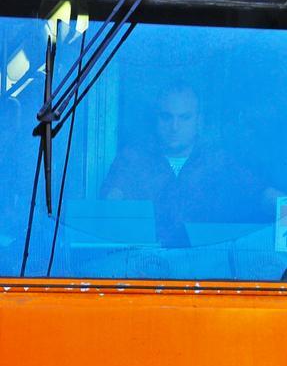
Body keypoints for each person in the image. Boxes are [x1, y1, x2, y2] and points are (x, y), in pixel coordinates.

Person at [102, 84, 263, 246]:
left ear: (199, 121)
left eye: (184, 117)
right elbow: (111, 202)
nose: (175, 127)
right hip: (144, 264)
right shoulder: (133, 159)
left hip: (206, 266)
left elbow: (260, 193)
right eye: (166, 117)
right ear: (155, 119)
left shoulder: (219, 162)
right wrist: (115, 202)